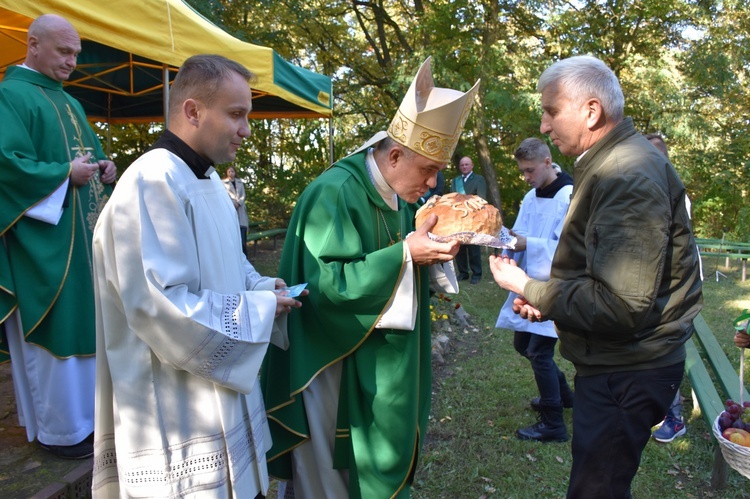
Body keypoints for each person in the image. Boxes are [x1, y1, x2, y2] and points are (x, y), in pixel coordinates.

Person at [261, 57, 479, 499]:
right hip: (333, 360)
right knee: (330, 479)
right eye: (427, 170)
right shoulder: (335, 192)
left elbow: (407, 259)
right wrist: (404, 254)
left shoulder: (398, 193)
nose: (434, 182)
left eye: (439, 169)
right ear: (394, 154)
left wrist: (432, 253)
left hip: (379, 356)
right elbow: (327, 286)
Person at [489, 55, 703, 498]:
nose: (544, 126)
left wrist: (525, 285)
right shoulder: (610, 165)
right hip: (618, 364)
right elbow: (600, 272)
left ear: (591, 111)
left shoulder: (627, 174)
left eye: (551, 111)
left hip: (627, 370)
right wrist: (547, 299)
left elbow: (621, 305)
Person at [91, 54, 304, 498]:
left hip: (219, 396)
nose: (247, 129)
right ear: (192, 111)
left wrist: (262, 288)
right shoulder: (151, 182)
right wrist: (259, 310)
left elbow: (230, 264)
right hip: (175, 410)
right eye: (236, 114)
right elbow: (161, 306)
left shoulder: (207, 182)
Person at [0, 14, 116, 459]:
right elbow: (7, 166)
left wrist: (104, 167)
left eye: (76, 55)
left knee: (88, 325)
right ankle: (61, 432)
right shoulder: (10, 95)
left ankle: (90, 422)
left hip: (81, 239)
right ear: (32, 44)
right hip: (41, 246)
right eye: (63, 52)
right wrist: (65, 174)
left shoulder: (70, 102)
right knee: (55, 329)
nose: (72, 62)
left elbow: (89, 153)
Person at [496, 137, 574, 442]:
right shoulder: (531, 197)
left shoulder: (569, 196)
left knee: (539, 353)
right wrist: (502, 241)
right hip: (526, 282)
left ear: (546, 162)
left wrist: (529, 244)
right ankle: (565, 396)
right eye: (523, 172)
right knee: (522, 346)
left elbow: (569, 249)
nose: (526, 177)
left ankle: (553, 422)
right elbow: (520, 233)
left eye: (530, 170)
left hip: (552, 285)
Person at [645, 133, 689, 443]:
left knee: (665, 348)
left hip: (673, 290)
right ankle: (659, 409)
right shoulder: (651, 188)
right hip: (656, 286)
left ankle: (675, 418)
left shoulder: (673, 193)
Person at [451, 156, 488, 284]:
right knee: (459, 247)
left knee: (473, 248)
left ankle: (476, 273)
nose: (464, 167)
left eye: (467, 164)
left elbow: (481, 199)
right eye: (462, 165)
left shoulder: (479, 179)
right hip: (458, 219)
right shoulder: (455, 181)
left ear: (472, 166)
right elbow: (452, 199)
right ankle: (463, 273)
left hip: (473, 217)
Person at [223, 165, 249, 256]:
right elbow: (223, 196)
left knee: (242, 237)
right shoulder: (223, 183)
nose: (231, 173)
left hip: (241, 210)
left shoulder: (240, 182)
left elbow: (243, 195)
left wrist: (239, 203)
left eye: (232, 171)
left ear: (235, 172)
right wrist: (232, 203)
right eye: (229, 171)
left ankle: (245, 257)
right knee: (233, 237)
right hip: (230, 209)